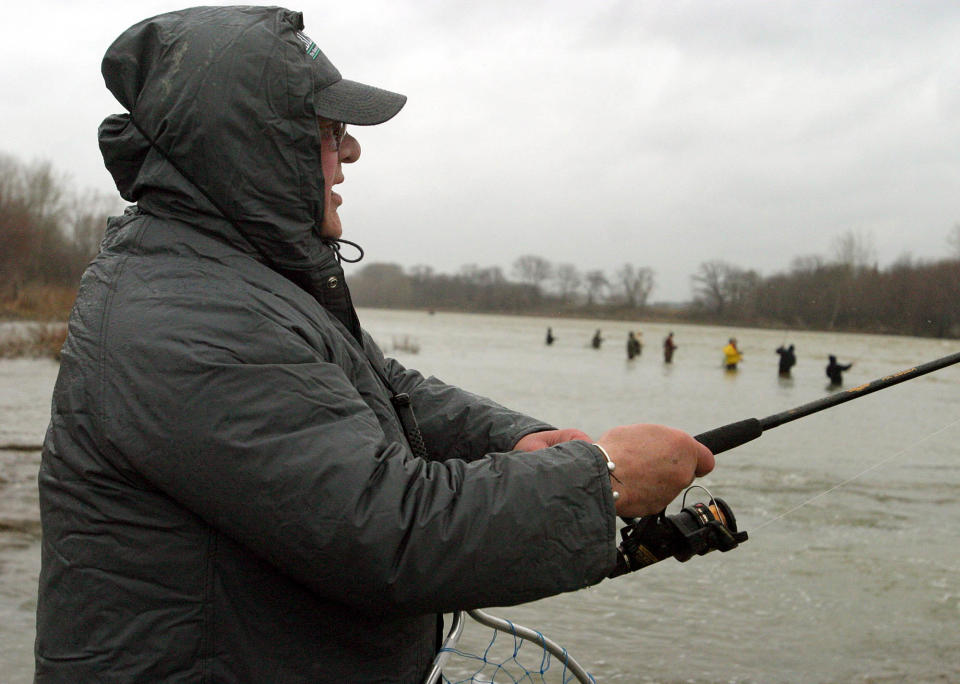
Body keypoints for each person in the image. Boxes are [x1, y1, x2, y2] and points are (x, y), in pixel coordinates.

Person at [33, 7, 714, 683]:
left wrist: (513, 440)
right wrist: (603, 478)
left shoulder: (230, 280)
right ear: (253, 146)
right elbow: (383, 532)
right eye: (330, 130)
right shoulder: (185, 314)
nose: (351, 151)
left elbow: (384, 385)